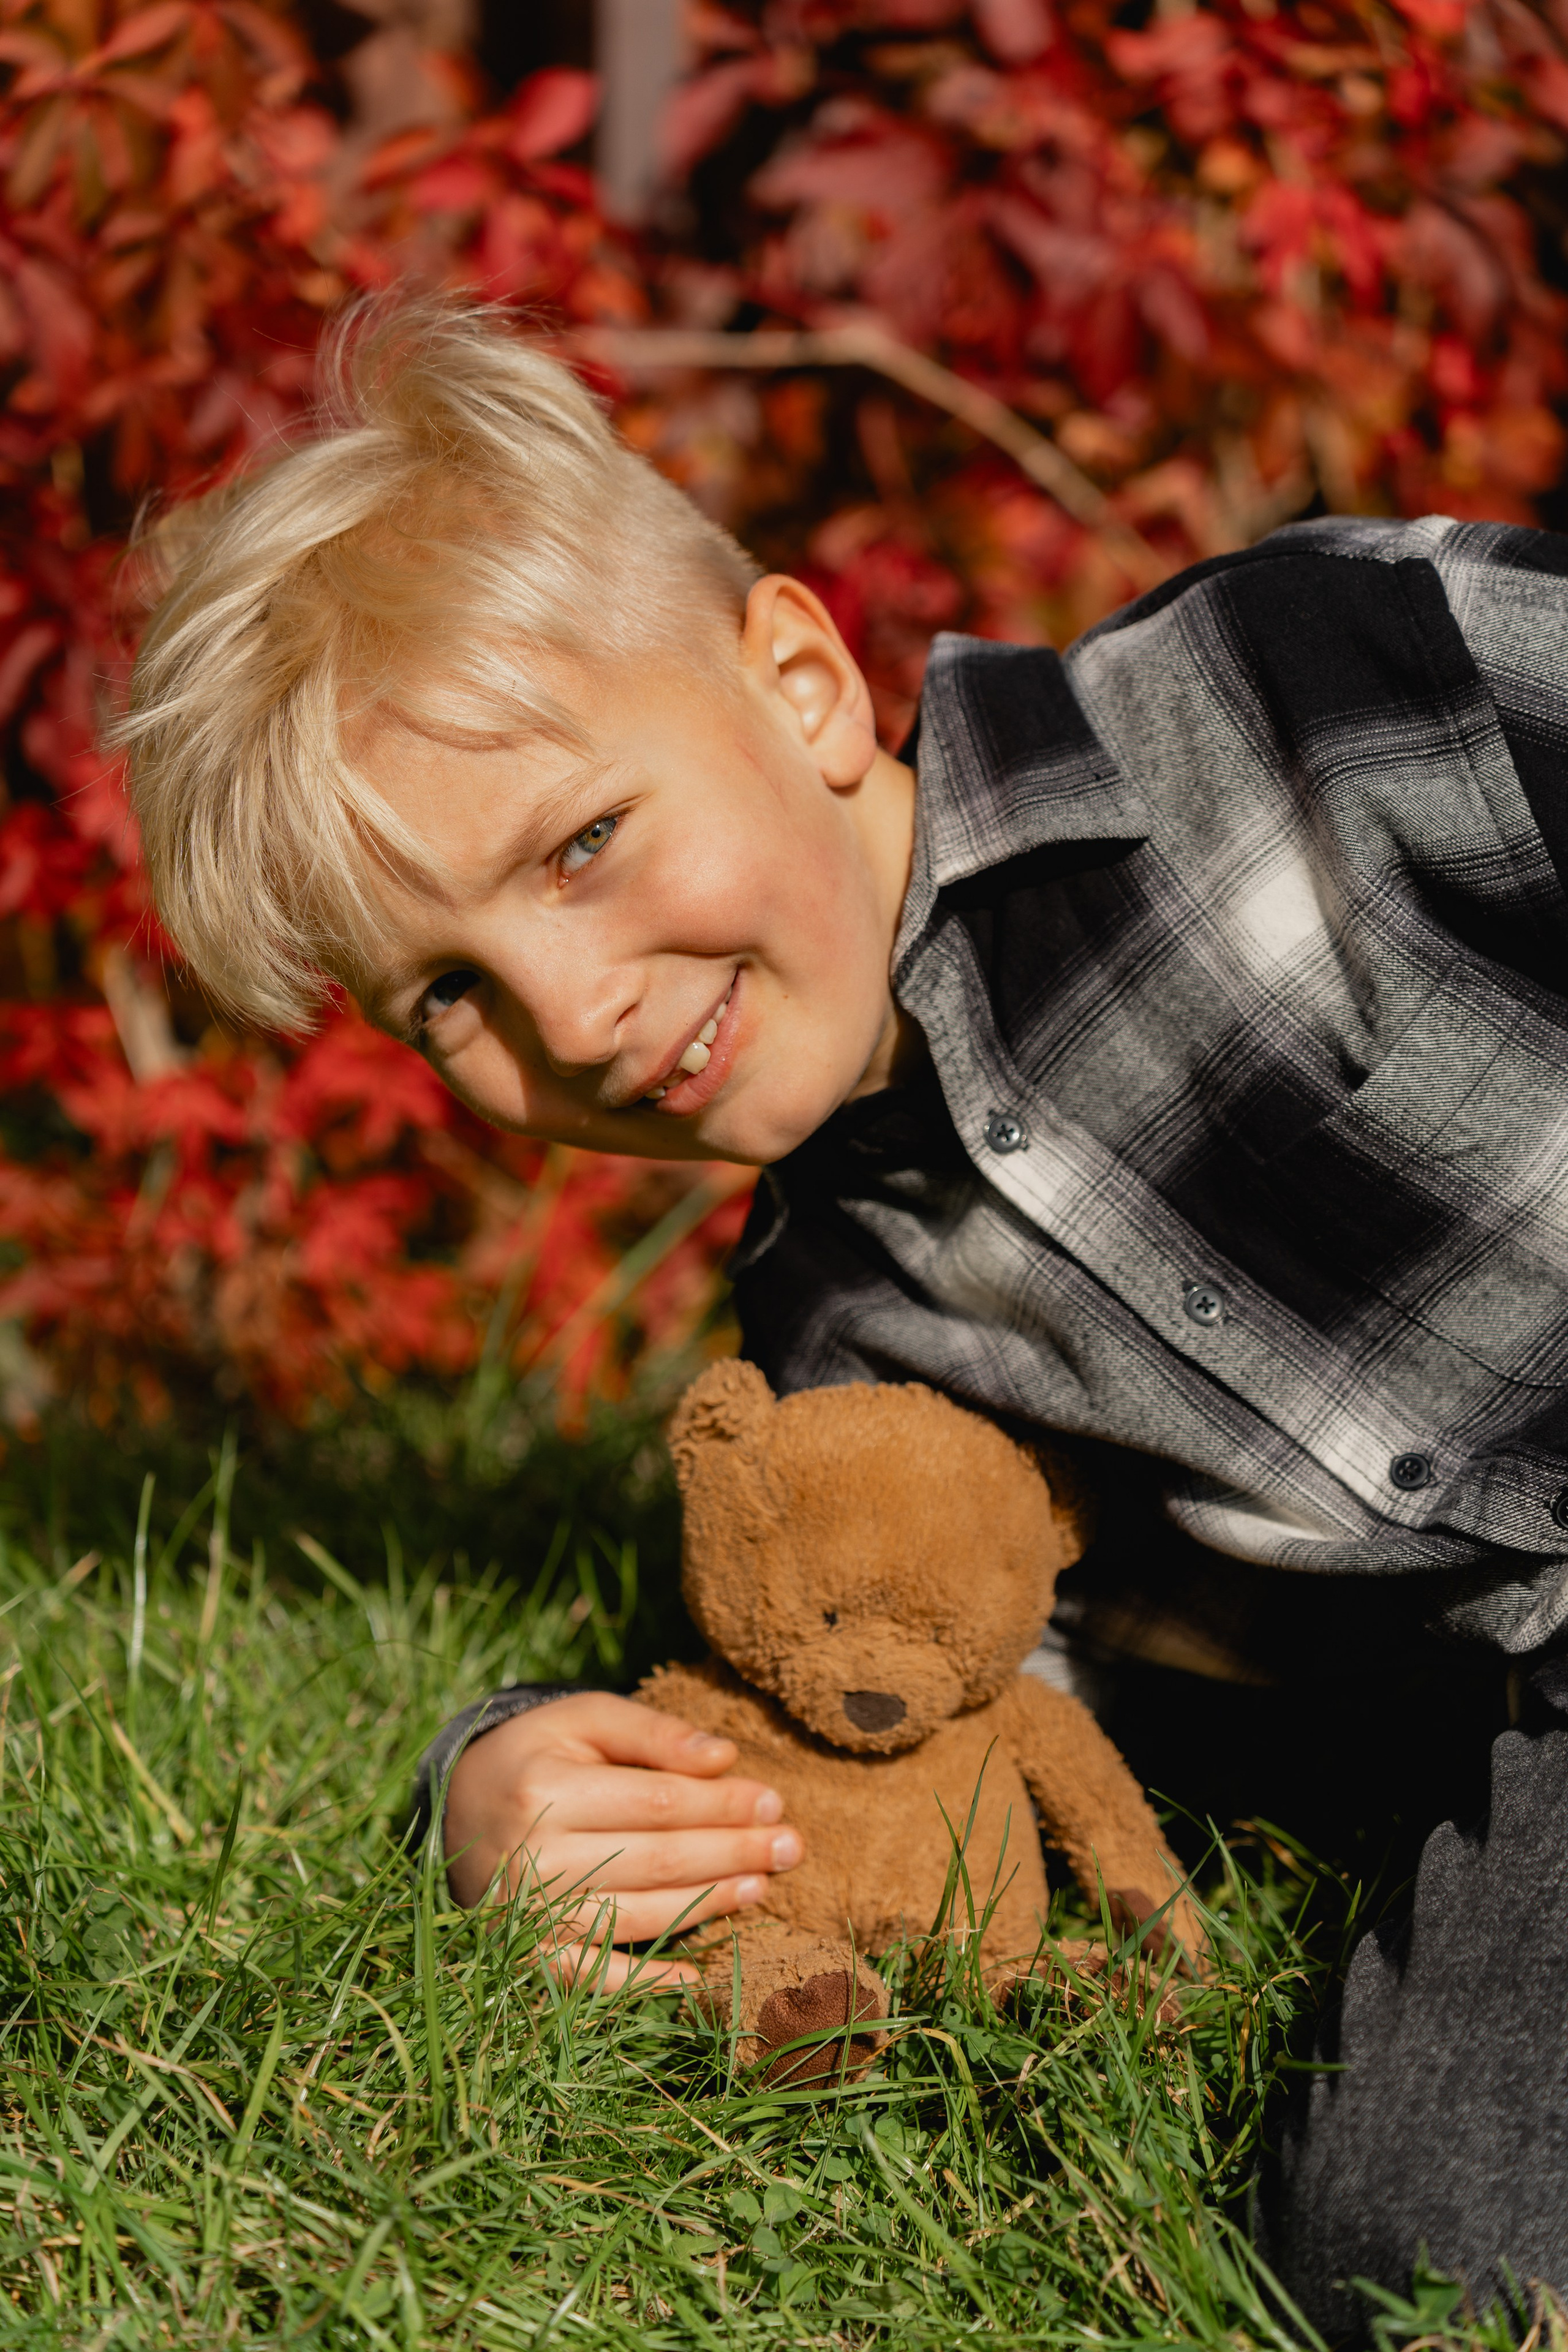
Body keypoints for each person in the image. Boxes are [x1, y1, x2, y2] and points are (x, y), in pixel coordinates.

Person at [121, 297, 1568, 2337]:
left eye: (585, 846)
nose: (573, 1016)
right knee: (1421, 2257)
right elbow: (884, 1701)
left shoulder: (1315, 686)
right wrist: (497, 1772)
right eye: (445, 994)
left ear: (799, 683)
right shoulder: (845, 1329)